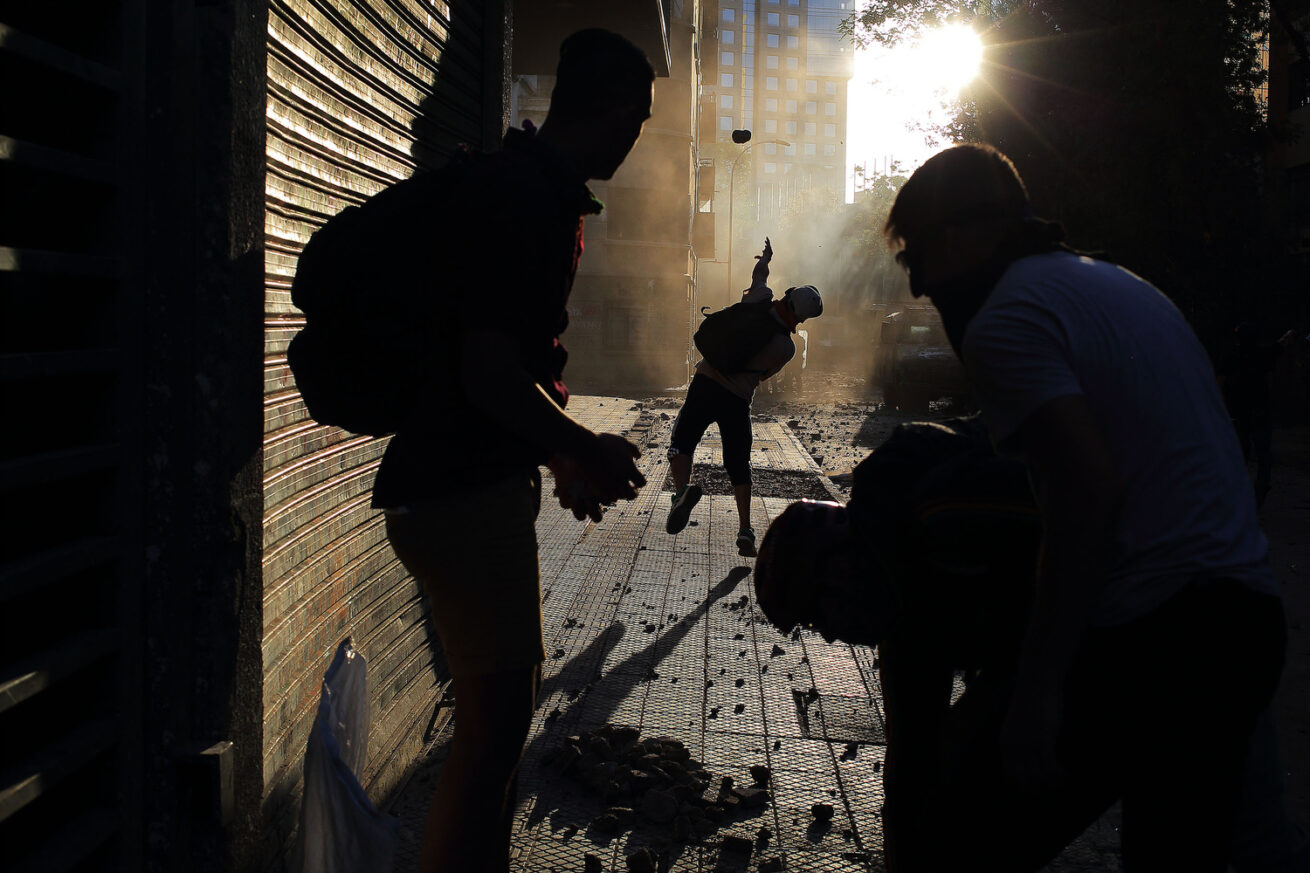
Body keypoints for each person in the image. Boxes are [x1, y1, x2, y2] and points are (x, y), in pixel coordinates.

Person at [871, 143, 1285, 871]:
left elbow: (1086, 490)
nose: (922, 287)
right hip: (1242, 622)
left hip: (1162, 635)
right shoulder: (1115, 283)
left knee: (950, 839)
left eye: (919, 260)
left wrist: (1038, 689)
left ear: (961, 236)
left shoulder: (1006, 319)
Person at [755, 417, 1310, 872]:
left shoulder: (948, 509)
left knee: (1228, 839)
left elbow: (1094, 532)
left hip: (1188, 618)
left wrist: (1031, 695)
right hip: (1114, 656)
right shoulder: (906, 629)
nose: (828, 636)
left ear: (841, 569)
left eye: (816, 616)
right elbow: (912, 768)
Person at [371, 30, 653, 873]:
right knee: (492, 738)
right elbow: (489, 369)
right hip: (458, 494)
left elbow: (505, 363)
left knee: (499, 726)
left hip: (459, 484)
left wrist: (557, 456)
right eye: (636, 117)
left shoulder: (538, 189)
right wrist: (581, 446)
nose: (638, 138)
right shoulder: (526, 198)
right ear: (608, 112)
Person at [665, 239, 823, 555]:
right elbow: (763, 376)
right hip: (737, 400)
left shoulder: (760, 299)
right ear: (803, 319)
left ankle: (682, 490)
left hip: (706, 382)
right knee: (739, 462)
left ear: (789, 294)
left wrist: (765, 258)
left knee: (682, 441)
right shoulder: (787, 348)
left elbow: (760, 275)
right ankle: (745, 529)